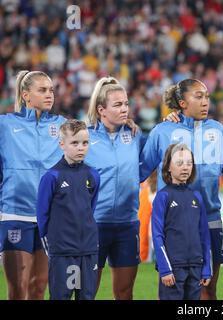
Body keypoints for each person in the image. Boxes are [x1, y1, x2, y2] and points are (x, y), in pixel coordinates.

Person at [141, 79, 223, 300]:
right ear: (182, 102)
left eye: (207, 97)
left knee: (208, 287)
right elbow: (140, 170)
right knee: (173, 287)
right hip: (175, 222)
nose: (205, 102)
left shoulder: (218, 130)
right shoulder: (163, 131)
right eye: (198, 97)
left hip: (210, 218)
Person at [0, 70, 66, 299]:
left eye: (51, 90)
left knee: (39, 288)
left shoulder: (63, 125)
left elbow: (96, 138)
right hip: (15, 214)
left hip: (50, 218)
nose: (50, 94)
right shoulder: (5, 125)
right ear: (26, 95)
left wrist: (123, 124)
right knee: (18, 288)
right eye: (42, 90)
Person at [84, 76, 146, 300]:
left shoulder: (135, 135)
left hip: (127, 224)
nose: (124, 109)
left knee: (124, 292)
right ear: (102, 109)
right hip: (94, 224)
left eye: (126, 104)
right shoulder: (85, 137)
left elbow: (147, 166)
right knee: (87, 292)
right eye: (118, 105)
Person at [36, 119, 100, 300]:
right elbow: (42, 214)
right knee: (61, 296)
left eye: (85, 143)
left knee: (87, 296)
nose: (81, 148)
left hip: (88, 249)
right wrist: (53, 244)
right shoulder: (52, 176)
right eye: (75, 143)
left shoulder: (93, 175)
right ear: (62, 144)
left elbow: (90, 208)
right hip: (63, 251)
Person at [152, 143, 211, 300]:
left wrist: (206, 268)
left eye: (189, 163)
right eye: (179, 163)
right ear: (168, 167)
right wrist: (165, 269)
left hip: (196, 267)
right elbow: (157, 235)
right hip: (173, 268)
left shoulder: (196, 197)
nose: (185, 167)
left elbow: (204, 235)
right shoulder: (163, 197)